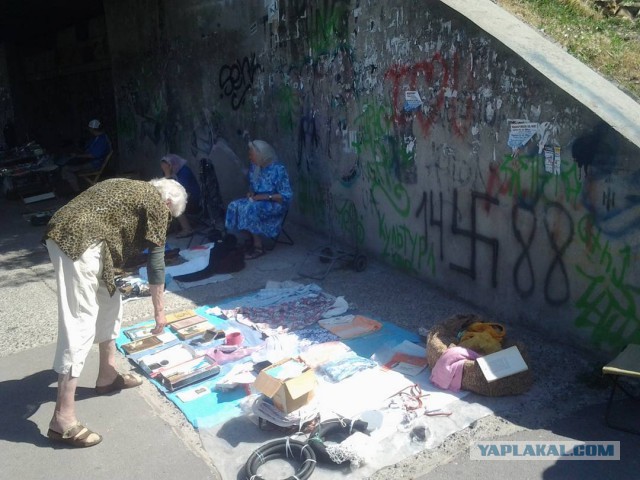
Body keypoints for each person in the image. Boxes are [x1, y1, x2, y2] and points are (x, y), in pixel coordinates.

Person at [43, 177, 187, 448]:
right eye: (169, 217)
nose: (166, 221)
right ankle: (62, 419)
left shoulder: (131, 187)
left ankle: (107, 376)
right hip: (79, 242)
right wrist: (160, 312)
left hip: (82, 237)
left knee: (111, 300)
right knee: (81, 321)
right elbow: (156, 262)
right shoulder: (157, 203)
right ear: (168, 203)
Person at [225, 140, 292, 259]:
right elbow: (253, 187)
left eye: (252, 155)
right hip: (258, 200)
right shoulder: (255, 167)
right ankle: (248, 237)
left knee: (251, 208)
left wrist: (266, 197)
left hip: (275, 203)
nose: (249, 157)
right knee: (234, 206)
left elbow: (286, 195)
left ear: (262, 155)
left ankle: (258, 246)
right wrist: (251, 193)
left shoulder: (278, 169)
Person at [60, 119, 112, 193]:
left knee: (66, 169)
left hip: (95, 164)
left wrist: (78, 156)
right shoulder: (96, 138)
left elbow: (93, 155)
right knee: (66, 164)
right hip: (91, 162)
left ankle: (76, 191)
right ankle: (71, 187)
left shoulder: (101, 140)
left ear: (92, 129)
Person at [160, 154, 201, 237]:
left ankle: (187, 229)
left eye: (166, 167)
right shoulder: (173, 172)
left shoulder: (184, 171)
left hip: (193, 197)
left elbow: (182, 190)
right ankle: (166, 228)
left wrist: (168, 175)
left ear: (171, 165)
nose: (164, 169)